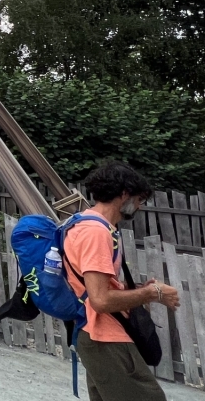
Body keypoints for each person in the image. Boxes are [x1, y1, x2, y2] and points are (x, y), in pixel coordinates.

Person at [64, 162, 179, 401]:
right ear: (124, 194)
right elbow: (101, 300)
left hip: (94, 334)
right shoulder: (95, 233)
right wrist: (152, 293)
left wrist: (135, 291)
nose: (138, 206)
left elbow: (95, 288)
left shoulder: (86, 223)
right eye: (139, 199)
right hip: (104, 336)